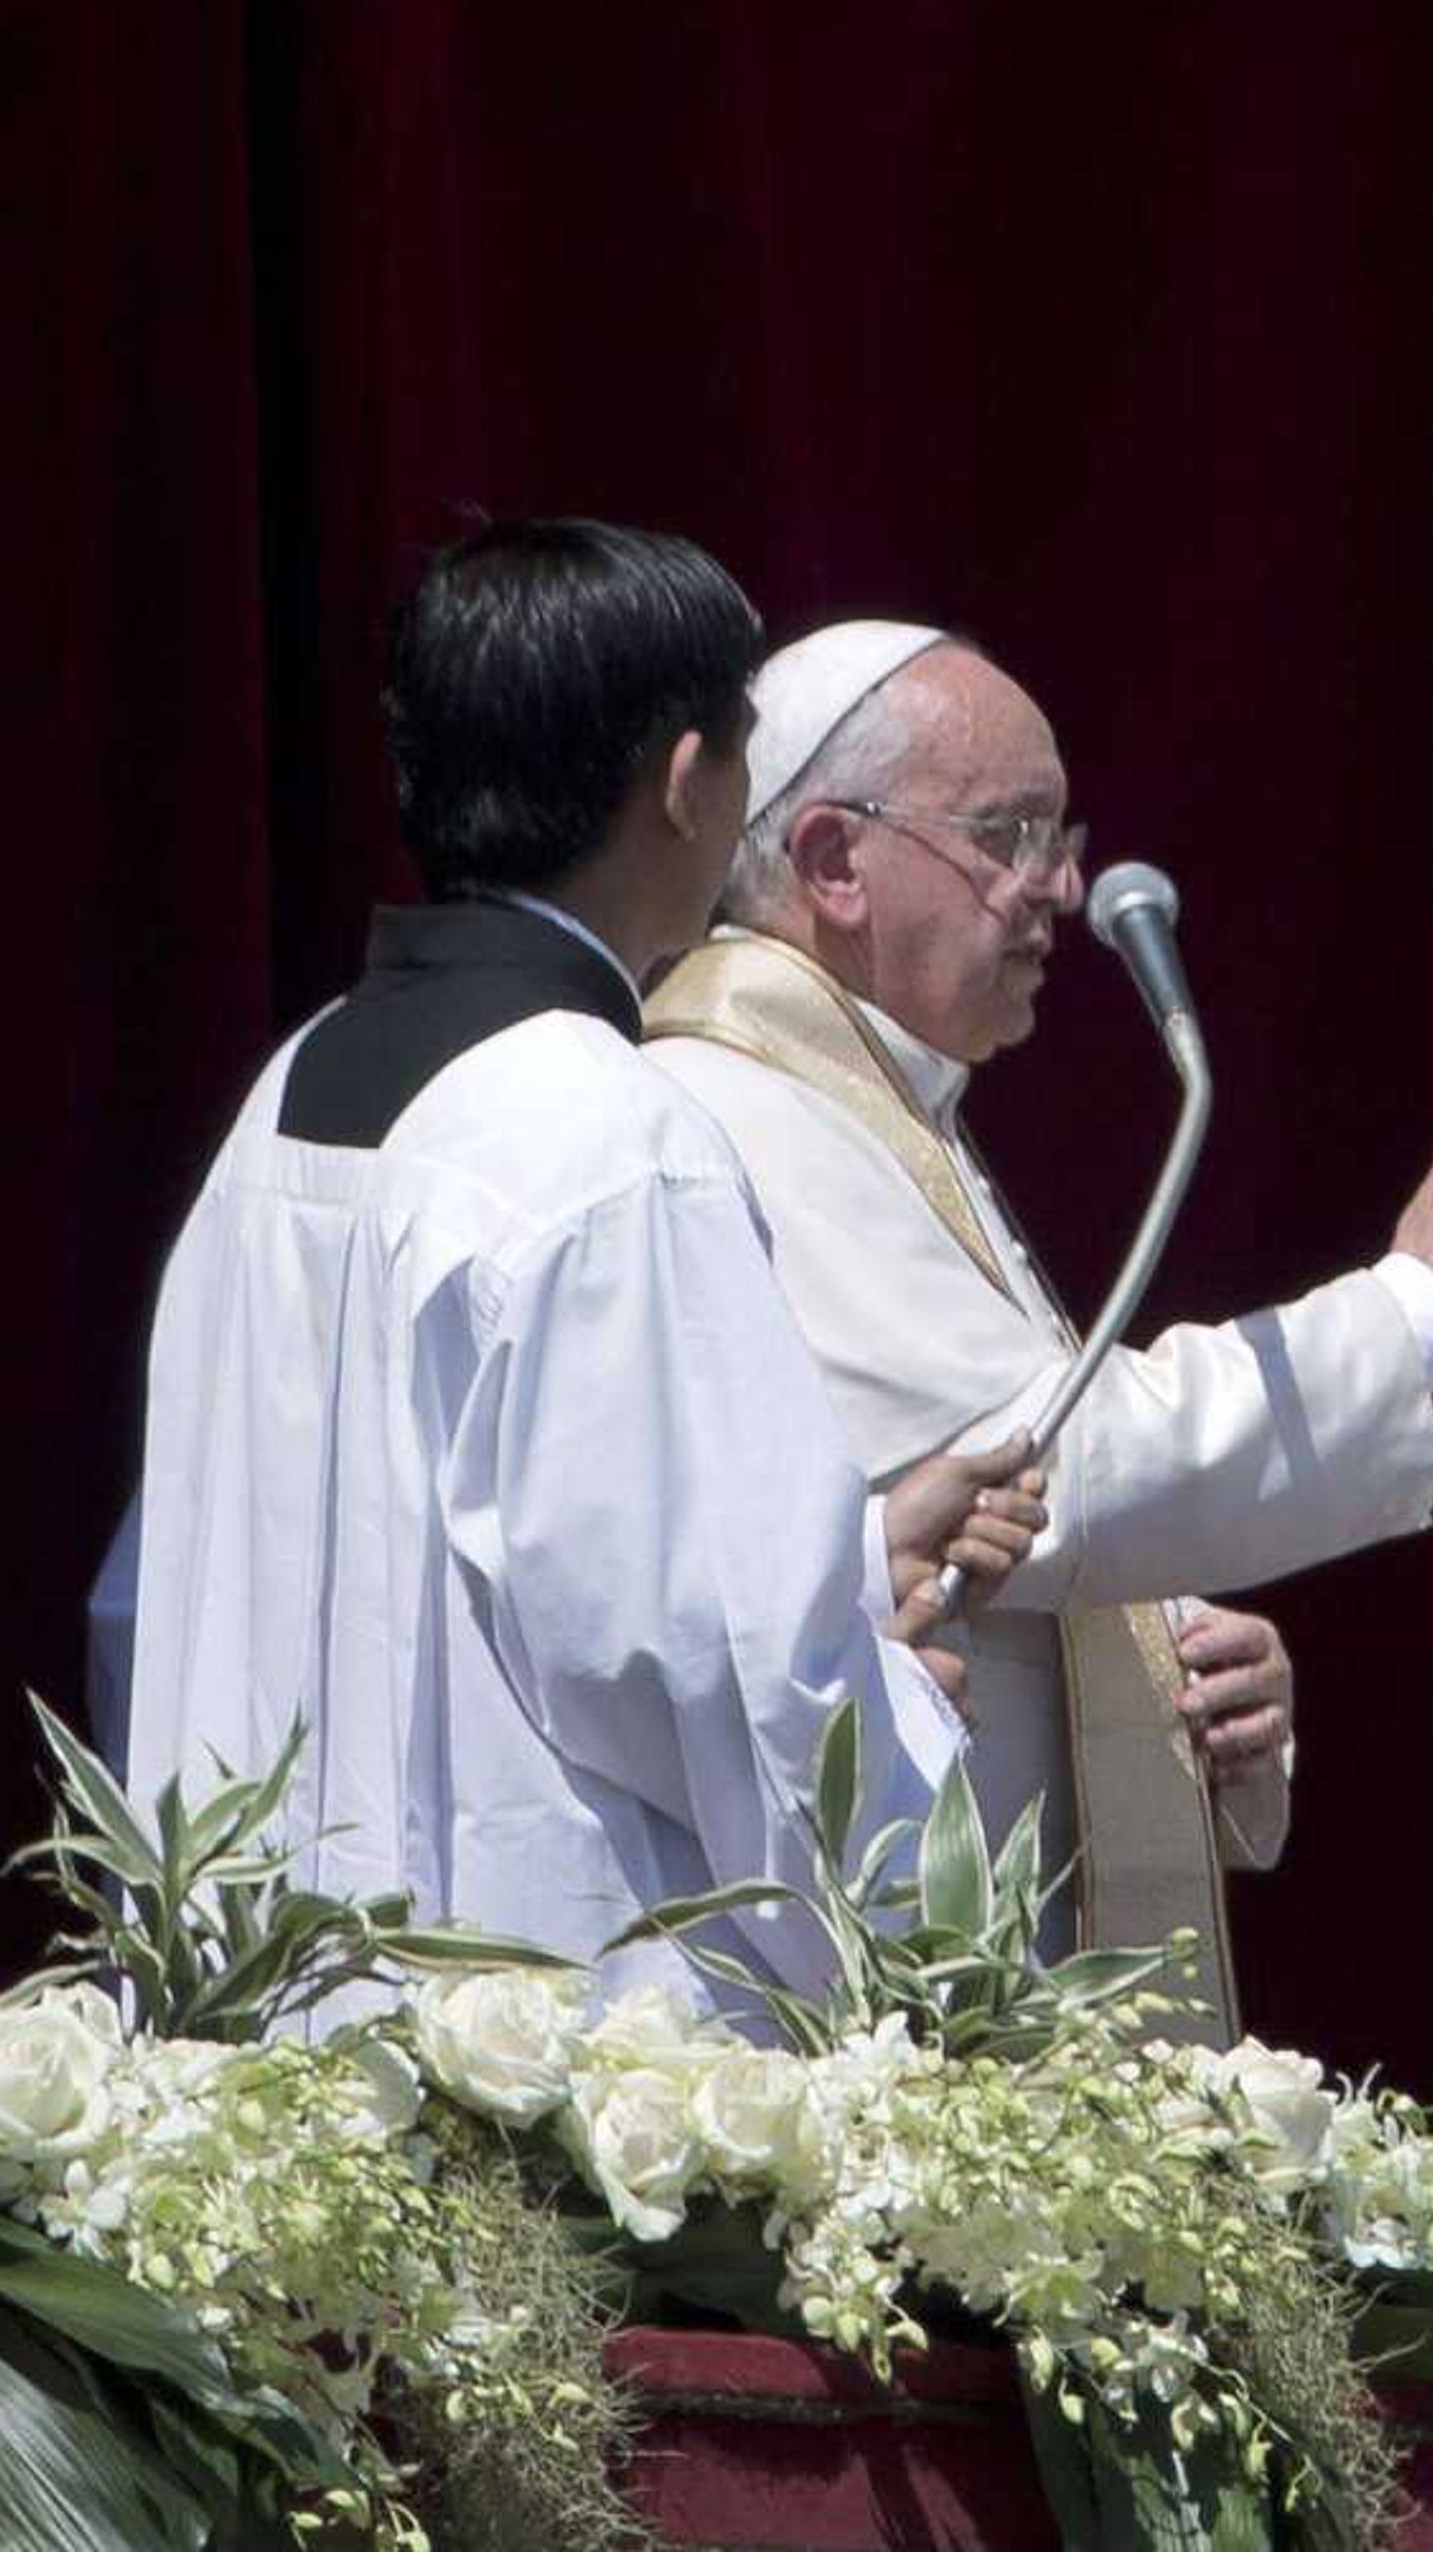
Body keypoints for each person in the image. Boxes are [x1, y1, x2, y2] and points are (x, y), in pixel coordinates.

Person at [125, 521, 1036, 2014]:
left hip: (265, 2042)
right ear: (689, 786)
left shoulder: (284, 1095)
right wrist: (897, 1738)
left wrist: (854, 1565)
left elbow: (361, 1562)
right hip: (536, 2076)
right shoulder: (614, 1134)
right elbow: (707, 1667)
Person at [647, 622, 1433, 1960]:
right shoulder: (740, 1112)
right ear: (830, 860)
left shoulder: (887, 1113)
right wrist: (1422, 1301)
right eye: (1011, 833)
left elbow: (1005, 1535)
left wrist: (1174, 1668)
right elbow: (1040, 1470)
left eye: (1061, 832)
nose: (1066, 885)